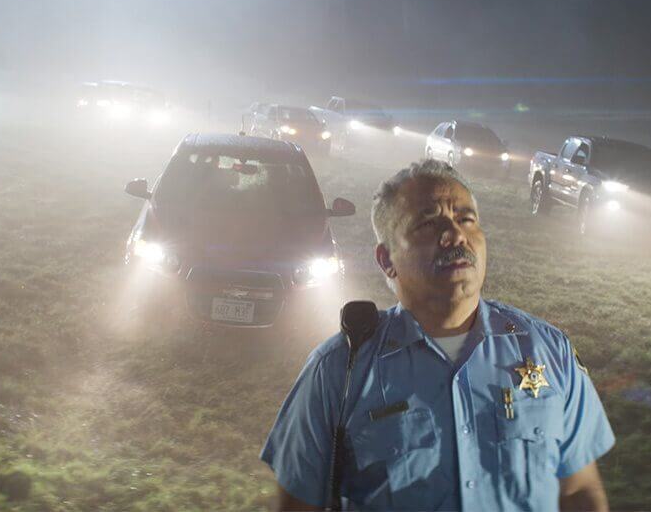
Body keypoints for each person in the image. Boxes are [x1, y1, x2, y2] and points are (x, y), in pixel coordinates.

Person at [261, 159, 615, 511]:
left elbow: (578, 492)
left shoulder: (549, 351)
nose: (456, 235)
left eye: (466, 219)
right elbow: (297, 506)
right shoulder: (339, 370)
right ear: (387, 260)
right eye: (429, 223)